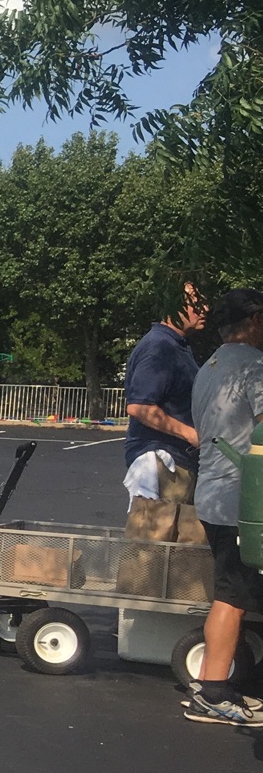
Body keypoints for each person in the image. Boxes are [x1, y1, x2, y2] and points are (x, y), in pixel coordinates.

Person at [181, 287, 263, 727]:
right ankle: (213, 692)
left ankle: (211, 689)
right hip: (244, 504)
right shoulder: (254, 367)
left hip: (213, 494)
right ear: (254, 321)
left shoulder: (208, 367)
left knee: (229, 593)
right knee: (233, 596)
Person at [122, 283, 208, 516]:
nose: (205, 309)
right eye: (197, 304)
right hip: (161, 462)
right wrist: (191, 435)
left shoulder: (177, 345)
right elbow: (140, 407)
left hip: (177, 461)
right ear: (174, 307)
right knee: (154, 545)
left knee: (176, 545)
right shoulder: (159, 346)